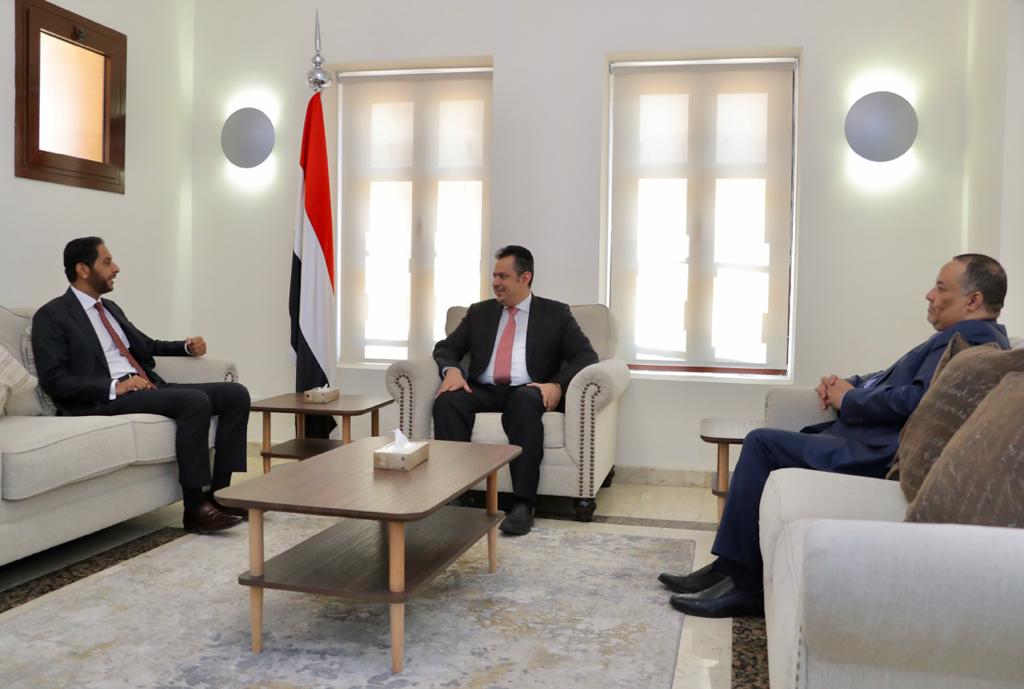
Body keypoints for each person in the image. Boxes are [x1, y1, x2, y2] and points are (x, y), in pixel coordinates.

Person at [662, 254, 1010, 618]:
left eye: (940, 288)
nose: (929, 295)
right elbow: (892, 379)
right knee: (765, 443)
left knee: (761, 443)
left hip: (879, 454)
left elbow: (915, 401)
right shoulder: (962, 338)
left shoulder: (973, 343)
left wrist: (850, 399)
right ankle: (728, 568)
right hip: (869, 441)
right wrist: (848, 384)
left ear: (973, 300)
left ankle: (746, 586)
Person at [32, 237, 251, 534]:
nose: (116, 268)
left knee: (236, 394)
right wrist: (114, 386)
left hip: (144, 386)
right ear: (83, 269)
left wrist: (185, 347)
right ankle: (195, 507)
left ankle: (220, 495)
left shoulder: (109, 308)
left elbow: (145, 345)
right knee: (194, 401)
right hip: (106, 399)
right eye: (107, 262)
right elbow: (54, 379)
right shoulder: (51, 316)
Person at [432, 245, 599, 535]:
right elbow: (447, 348)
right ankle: (457, 495)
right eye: (494, 276)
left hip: (528, 389)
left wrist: (556, 385)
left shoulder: (555, 313)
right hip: (484, 388)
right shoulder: (480, 312)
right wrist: (452, 371)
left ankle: (523, 504)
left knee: (523, 402)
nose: (495, 282)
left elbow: (586, 356)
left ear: (525, 278)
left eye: (503, 276)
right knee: (448, 401)